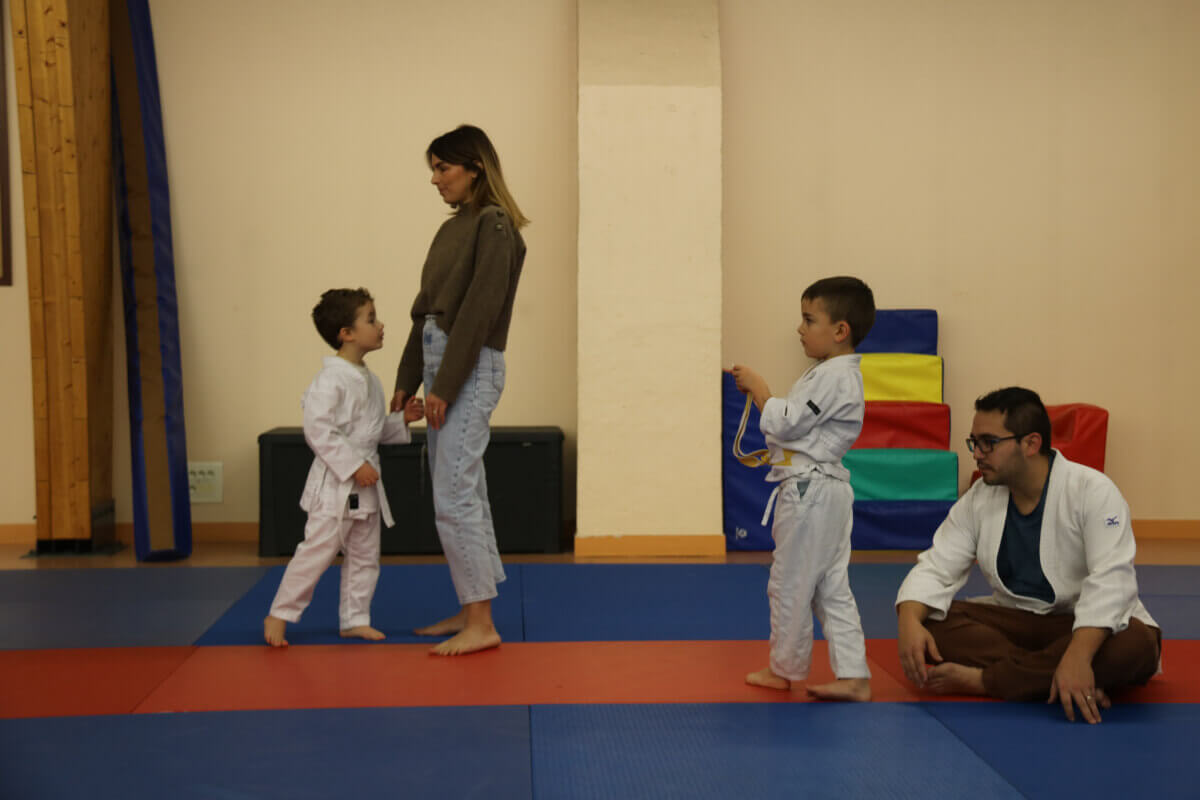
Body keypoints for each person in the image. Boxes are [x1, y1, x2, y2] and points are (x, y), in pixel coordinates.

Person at [895, 387, 1161, 723]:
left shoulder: (1092, 491)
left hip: (1083, 624)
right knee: (930, 622)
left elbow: (1113, 580)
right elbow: (937, 567)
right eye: (973, 442)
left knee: (1136, 645)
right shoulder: (980, 498)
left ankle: (989, 681)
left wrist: (1079, 655)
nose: (976, 453)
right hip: (1017, 620)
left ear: (1031, 444)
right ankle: (1054, 676)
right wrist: (907, 622)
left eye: (988, 442)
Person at [390, 125, 529, 656]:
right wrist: (407, 381)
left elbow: (478, 313)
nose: (434, 179)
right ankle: (471, 607)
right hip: (442, 361)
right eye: (433, 168)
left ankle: (482, 622)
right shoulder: (452, 230)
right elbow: (424, 311)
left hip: (468, 367)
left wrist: (444, 383)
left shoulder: (495, 225)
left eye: (442, 167)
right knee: (461, 491)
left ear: (474, 167)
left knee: (452, 496)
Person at [729, 276, 875, 701]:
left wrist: (760, 389)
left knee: (790, 581)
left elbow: (787, 422)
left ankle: (784, 669)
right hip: (821, 490)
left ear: (840, 330)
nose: (800, 328)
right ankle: (853, 675)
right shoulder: (830, 374)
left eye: (809, 319)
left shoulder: (835, 377)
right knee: (831, 586)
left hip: (811, 493)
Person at [264, 288, 424, 647]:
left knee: (366, 557)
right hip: (335, 488)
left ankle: (355, 619)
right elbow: (318, 430)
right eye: (371, 319)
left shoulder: (368, 378)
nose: (380, 325)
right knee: (316, 554)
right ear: (346, 334)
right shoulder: (330, 380)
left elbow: (369, 432)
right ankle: (280, 613)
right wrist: (353, 466)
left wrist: (401, 421)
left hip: (365, 486)